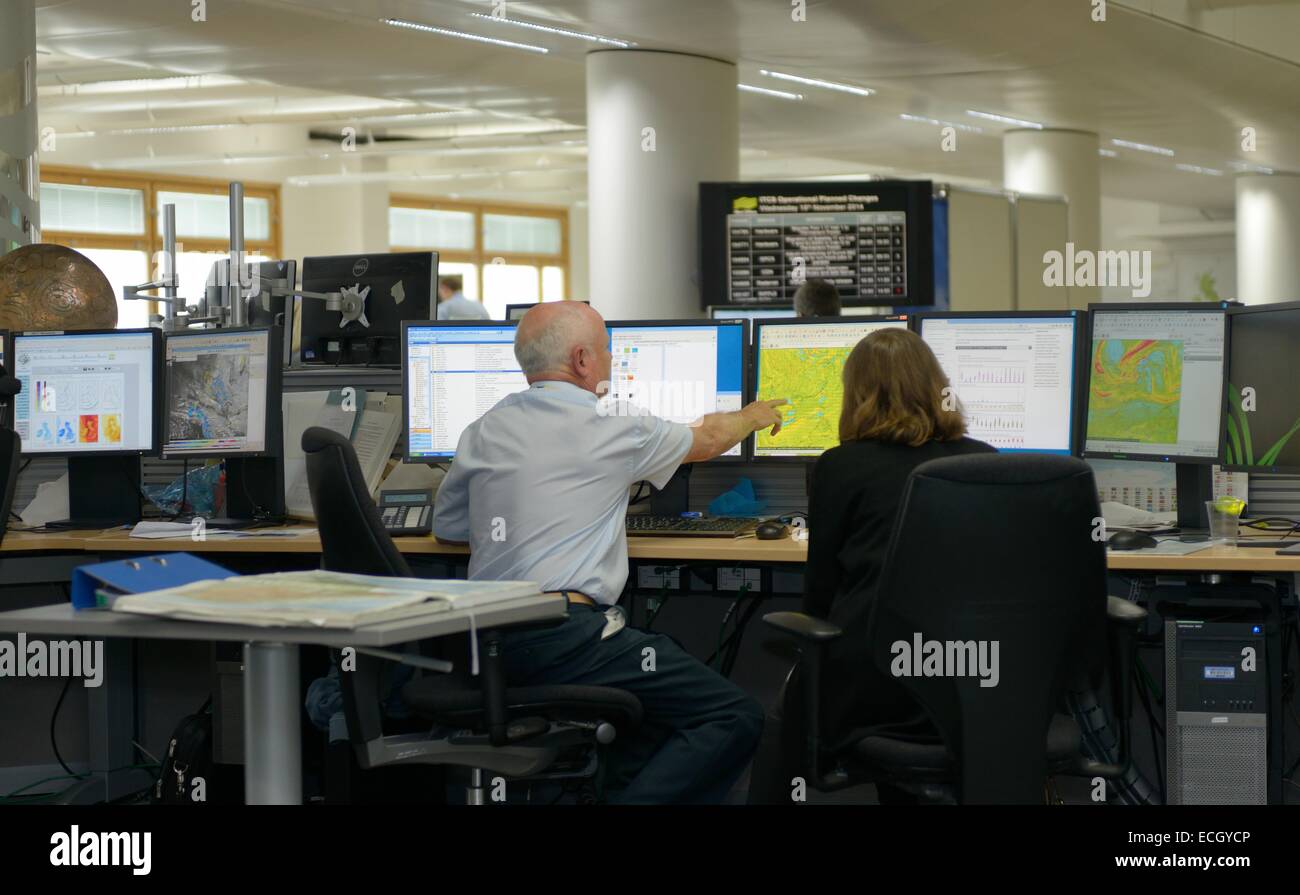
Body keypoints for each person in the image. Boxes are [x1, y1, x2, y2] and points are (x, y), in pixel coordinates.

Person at [432, 301, 787, 804]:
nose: (610, 361)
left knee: (658, 688)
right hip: (566, 638)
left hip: (486, 642)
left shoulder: (484, 427)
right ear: (581, 360)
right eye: (607, 351)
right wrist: (753, 415)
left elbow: (447, 528)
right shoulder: (611, 421)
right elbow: (707, 439)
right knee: (732, 714)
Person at [748, 327, 995, 804]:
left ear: (857, 395)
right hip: (976, 683)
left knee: (779, 718)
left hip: (878, 688)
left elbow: (820, 596)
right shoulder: (984, 461)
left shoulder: (840, 467)